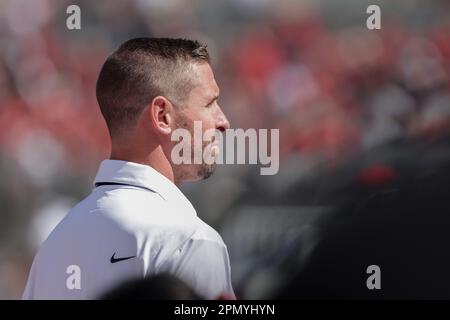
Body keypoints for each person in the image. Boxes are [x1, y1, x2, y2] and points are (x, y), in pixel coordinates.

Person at [22, 38, 234, 299]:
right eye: (210, 103)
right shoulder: (189, 239)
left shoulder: (56, 242)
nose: (223, 122)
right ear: (162, 116)